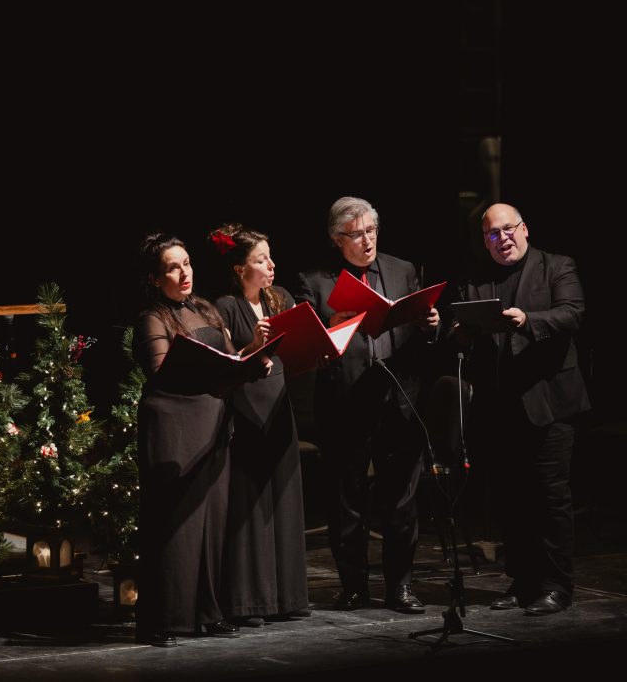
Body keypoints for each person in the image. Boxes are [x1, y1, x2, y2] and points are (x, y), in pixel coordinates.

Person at [295, 196, 439, 613]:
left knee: (401, 502)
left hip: (399, 399)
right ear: (337, 239)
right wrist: (333, 326)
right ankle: (354, 587)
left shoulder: (402, 269)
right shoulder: (316, 280)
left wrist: (431, 324)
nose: (367, 240)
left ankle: (401, 588)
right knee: (347, 503)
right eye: (356, 234)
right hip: (346, 402)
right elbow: (311, 342)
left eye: (371, 231)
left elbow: (423, 328)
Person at [445, 202, 590, 615]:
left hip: (549, 402)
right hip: (499, 405)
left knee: (550, 498)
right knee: (511, 499)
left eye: (508, 229)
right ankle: (523, 581)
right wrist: (458, 332)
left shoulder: (556, 266)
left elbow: (572, 313)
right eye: (492, 233)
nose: (502, 238)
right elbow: (464, 333)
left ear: (525, 229)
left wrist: (529, 320)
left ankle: (556, 584)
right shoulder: (476, 277)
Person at [132, 233, 269, 646]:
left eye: (187, 263)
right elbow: (162, 372)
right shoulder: (152, 318)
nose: (184, 272)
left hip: (213, 426)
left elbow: (230, 361)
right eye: (173, 267)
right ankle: (162, 619)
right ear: (156, 278)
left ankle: (209, 612)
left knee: (213, 523)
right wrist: (221, 369)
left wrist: (255, 353)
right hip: (173, 428)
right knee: (176, 526)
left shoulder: (206, 309)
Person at [208, 224, 310, 628]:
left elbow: (298, 345)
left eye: (270, 257)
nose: (271, 265)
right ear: (239, 268)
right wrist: (251, 347)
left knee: (283, 500)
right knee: (251, 506)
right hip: (247, 408)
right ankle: (251, 601)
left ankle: (287, 595)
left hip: (278, 403)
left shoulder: (279, 298)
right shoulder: (225, 306)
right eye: (260, 259)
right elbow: (227, 363)